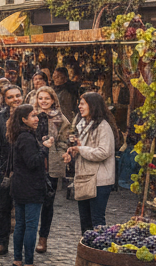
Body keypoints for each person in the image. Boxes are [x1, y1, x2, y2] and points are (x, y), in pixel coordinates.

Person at [67, 92, 120, 232]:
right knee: (85, 220)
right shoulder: (82, 125)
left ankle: (97, 251)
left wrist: (80, 149)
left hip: (99, 180)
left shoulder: (103, 127)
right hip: (84, 177)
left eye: (82, 103)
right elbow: (85, 149)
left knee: (97, 220)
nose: (79, 106)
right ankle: (86, 250)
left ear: (93, 105)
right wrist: (74, 150)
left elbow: (103, 152)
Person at [6, 104, 48, 266]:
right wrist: (45, 148)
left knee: (21, 225)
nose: (36, 119)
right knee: (30, 226)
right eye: (33, 116)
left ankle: (17, 260)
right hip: (30, 187)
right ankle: (28, 263)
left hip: (20, 186)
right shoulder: (26, 137)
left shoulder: (20, 135)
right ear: (24, 119)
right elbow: (33, 162)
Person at [32, 87, 72, 254]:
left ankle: (43, 238)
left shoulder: (60, 119)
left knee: (48, 203)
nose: (43, 101)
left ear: (53, 100)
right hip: (33, 162)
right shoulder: (32, 115)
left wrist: (61, 153)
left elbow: (64, 140)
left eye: (47, 98)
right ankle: (29, 235)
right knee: (32, 200)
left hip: (51, 163)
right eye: (41, 98)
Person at [0, 84, 23, 255]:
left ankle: (22, 244)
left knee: (24, 209)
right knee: (3, 208)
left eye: (17, 95)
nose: (15, 99)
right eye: (10, 97)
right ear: (5, 100)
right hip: (5, 169)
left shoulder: (30, 115)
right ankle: (2, 242)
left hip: (25, 170)